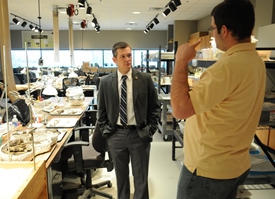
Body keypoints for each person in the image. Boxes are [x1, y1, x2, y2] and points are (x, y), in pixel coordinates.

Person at [170, 1, 266, 199]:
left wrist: (180, 62)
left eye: (212, 28)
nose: (212, 34)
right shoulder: (255, 61)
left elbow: (180, 110)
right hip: (234, 166)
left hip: (207, 170)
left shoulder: (226, 68)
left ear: (224, 30)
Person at [97, 41, 160, 199]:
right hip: (116, 135)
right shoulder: (105, 82)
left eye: (129, 55)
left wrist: (149, 130)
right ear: (114, 59)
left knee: (141, 179)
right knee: (121, 178)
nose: (127, 59)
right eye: (123, 56)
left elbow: (154, 108)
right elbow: (101, 111)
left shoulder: (144, 79)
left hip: (139, 134)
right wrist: (107, 133)